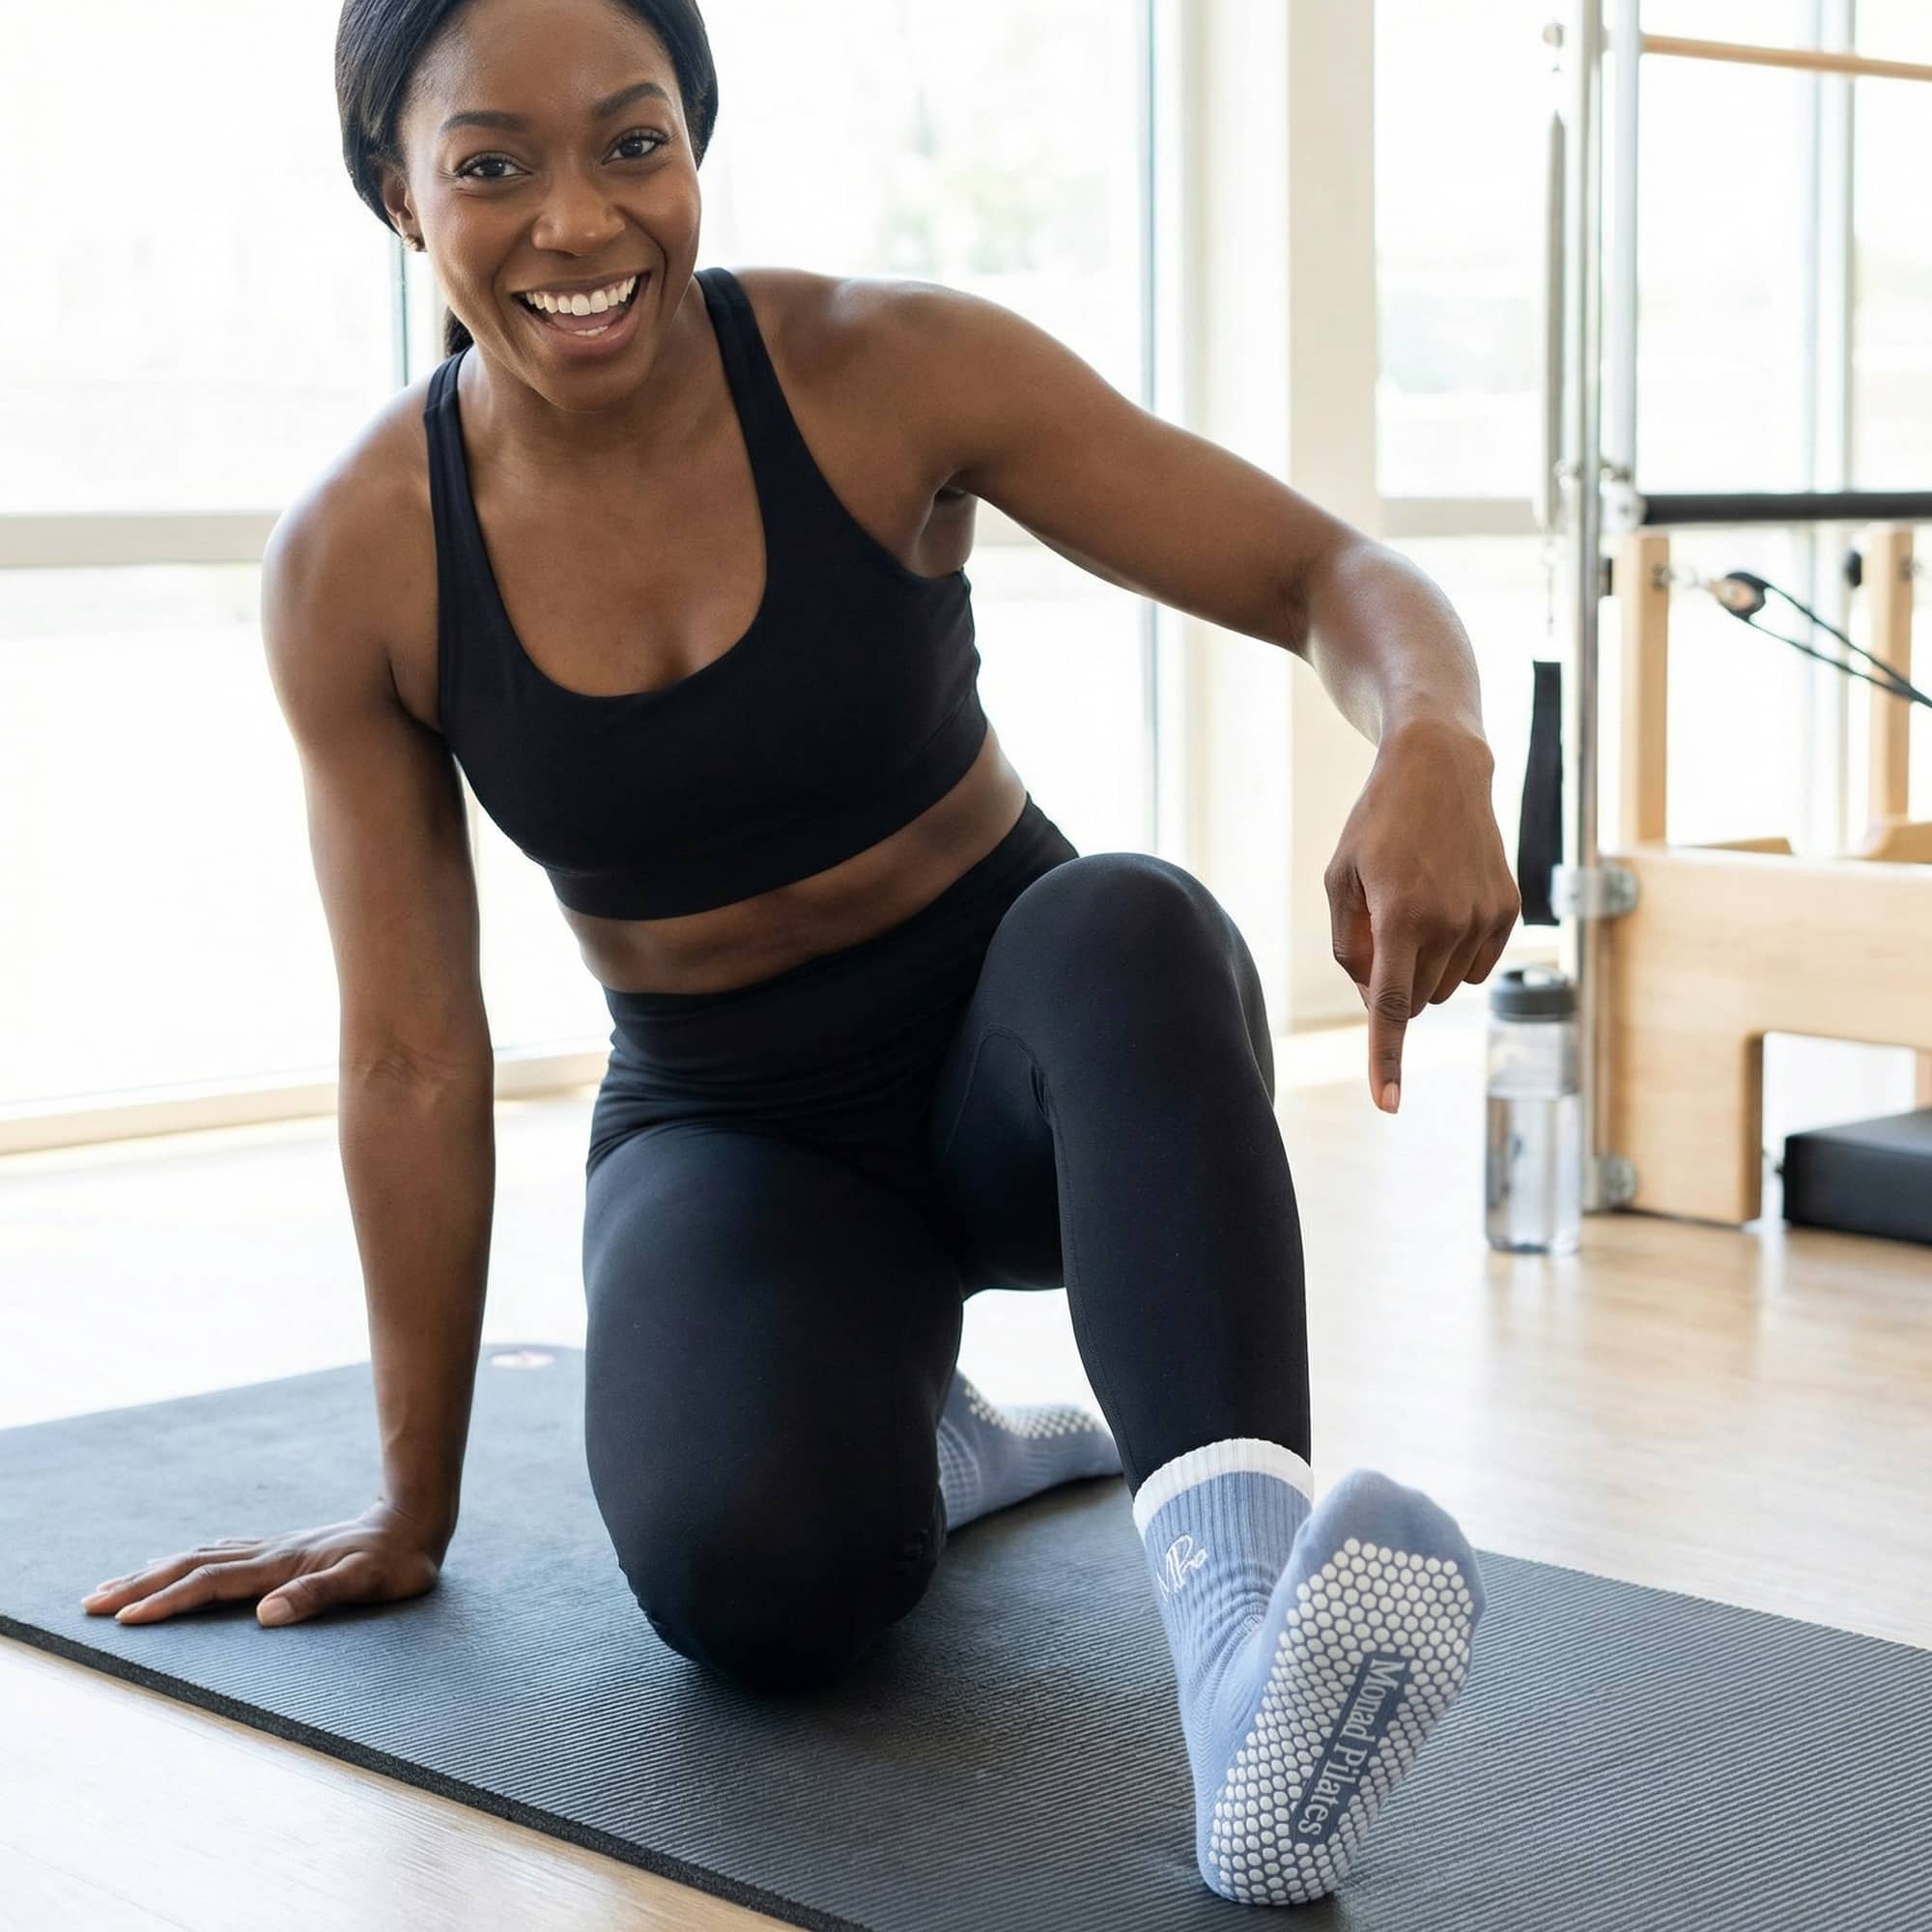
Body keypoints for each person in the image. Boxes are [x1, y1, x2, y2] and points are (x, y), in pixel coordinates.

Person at [80, 0, 1522, 1906]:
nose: (580, 221)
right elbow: (413, 1056)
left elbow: (1316, 570)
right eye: (491, 165)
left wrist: (1433, 737)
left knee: (1131, 921)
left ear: (696, 143)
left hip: (1034, 1063)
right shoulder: (363, 556)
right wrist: (408, 1503)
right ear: (394, 197)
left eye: (632, 142)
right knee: (752, 1593)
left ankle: (1246, 1653)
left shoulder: (883, 369)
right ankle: (950, 1447)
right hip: (732, 1120)